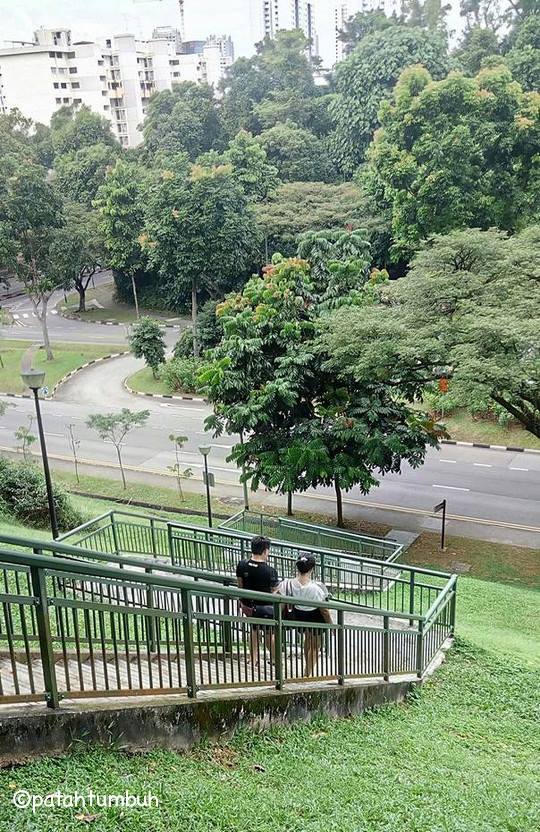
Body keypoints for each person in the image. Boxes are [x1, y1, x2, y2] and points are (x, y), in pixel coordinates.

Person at [280, 554, 332, 676]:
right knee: (315, 646)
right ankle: (307, 672)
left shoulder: (288, 583)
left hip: (300, 615)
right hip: (315, 617)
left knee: (307, 639)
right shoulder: (318, 587)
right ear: (312, 569)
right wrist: (331, 624)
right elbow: (324, 609)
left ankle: (306, 667)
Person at [236, 536, 279, 668]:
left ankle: (253, 658)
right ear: (265, 550)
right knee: (269, 633)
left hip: (248, 606)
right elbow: (275, 592)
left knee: (254, 630)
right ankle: (274, 659)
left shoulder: (242, 565)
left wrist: (243, 601)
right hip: (265, 608)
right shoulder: (270, 571)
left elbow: (240, 585)